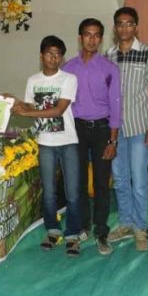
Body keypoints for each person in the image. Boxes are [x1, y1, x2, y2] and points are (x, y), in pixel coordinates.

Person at [11, 35, 81, 257]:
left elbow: (58, 110)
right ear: (42, 56)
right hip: (45, 142)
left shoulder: (69, 79)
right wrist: (11, 101)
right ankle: (53, 230)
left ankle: (72, 234)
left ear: (62, 57)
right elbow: (29, 106)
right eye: (50, 54)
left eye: (58, 54)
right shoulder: (33, 80)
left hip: (68, 141)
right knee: (48, 192)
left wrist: (26, 112)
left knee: (73, 192)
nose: (54, 58)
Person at [105, 7, 148, 252]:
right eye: (120, 23)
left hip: (140, 128)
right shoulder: (108, 56)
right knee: (120, 179)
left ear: (136, 27)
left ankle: (140, 226)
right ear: (115, 27)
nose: (124, 28)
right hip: (115, 130)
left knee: (140, 180)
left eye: (129, 23)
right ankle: (125, 223)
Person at [62, 18, 122, 256]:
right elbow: (60, 104)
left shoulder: (109, 69)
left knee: (101, 183)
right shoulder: (68, 68)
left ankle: (101, 232)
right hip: (75, 129)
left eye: (97, 35)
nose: (92, 39)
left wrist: (113, 140)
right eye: (87, 34)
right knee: (77, 181)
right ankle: (83, 226)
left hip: (102, 129)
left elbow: (116, 106)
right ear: (80, 38)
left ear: (101, 39)